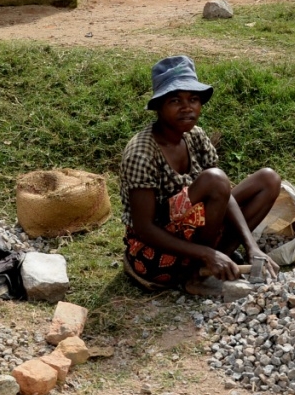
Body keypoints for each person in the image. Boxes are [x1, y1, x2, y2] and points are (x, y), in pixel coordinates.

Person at [120, 56, 282, 294]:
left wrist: (251, 246)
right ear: (159, 107)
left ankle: (219, 259)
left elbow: (224, 195)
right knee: (215, 179)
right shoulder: (141, 152)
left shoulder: (195, 136)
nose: (187, 107)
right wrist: (206, 253)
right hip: (156, 254)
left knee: (268, 179)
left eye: (193, 99)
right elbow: (144, 228)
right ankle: (200, 271)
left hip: (196, 232)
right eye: (175, 100)